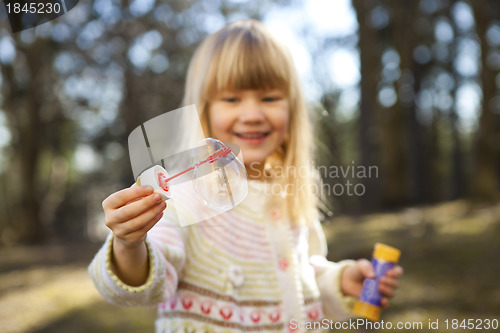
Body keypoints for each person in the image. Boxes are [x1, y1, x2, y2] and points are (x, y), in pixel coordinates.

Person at [89, 19, 403, 332]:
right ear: (204, 110)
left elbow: (302, 274)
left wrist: (341, 280)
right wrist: (129, 244)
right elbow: (148, 275)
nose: (252, 115)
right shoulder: (185, 193)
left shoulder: (289, 193)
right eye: (232, 99)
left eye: (269, 98)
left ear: (292, 111)